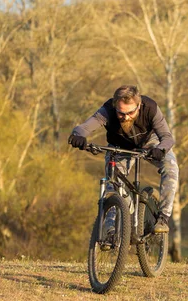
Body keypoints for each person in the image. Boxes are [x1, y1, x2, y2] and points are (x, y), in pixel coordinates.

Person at [68, 85, 179, 234]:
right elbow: (85, 127)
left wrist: (160, 149)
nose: (126, 117)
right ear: (115, 106)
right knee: (112, 184)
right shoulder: (107, 110)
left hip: (150, 144)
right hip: (119, 147)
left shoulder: (150, 107)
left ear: (139, 105)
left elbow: (167, 137)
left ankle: (163, 218)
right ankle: (111, 230)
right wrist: (78, 136)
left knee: (171, 167)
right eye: (121, 113)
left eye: (131, 112)